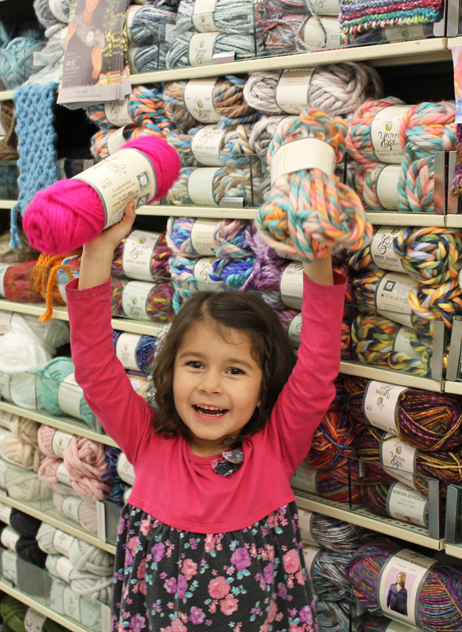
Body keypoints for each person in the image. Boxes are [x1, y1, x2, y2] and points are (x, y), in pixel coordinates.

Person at [66, 201, 346, 631]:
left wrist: (318, 256)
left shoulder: (272, 449)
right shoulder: (148, 442)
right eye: (194, 364)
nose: (210, 385)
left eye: (235, 370)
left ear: (262, 389)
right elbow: (95, 370)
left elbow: (317, 365)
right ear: (169, 370)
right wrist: (99, 252)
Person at [63, 0, 105, 86]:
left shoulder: (99, 34)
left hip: (84, 90)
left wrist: (97, 68)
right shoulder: (74, 22)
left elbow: (91, 80)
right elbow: (67, 61)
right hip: (71, 85)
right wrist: (68, 38)